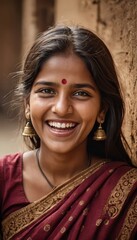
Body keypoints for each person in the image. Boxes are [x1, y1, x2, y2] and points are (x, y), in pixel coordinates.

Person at [0, 25, 136, 240]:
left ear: (102, 110)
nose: (62, 108)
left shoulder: (128, 193)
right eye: (47, 91)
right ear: (27, 103)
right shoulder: (3, 179)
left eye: (81, 93)